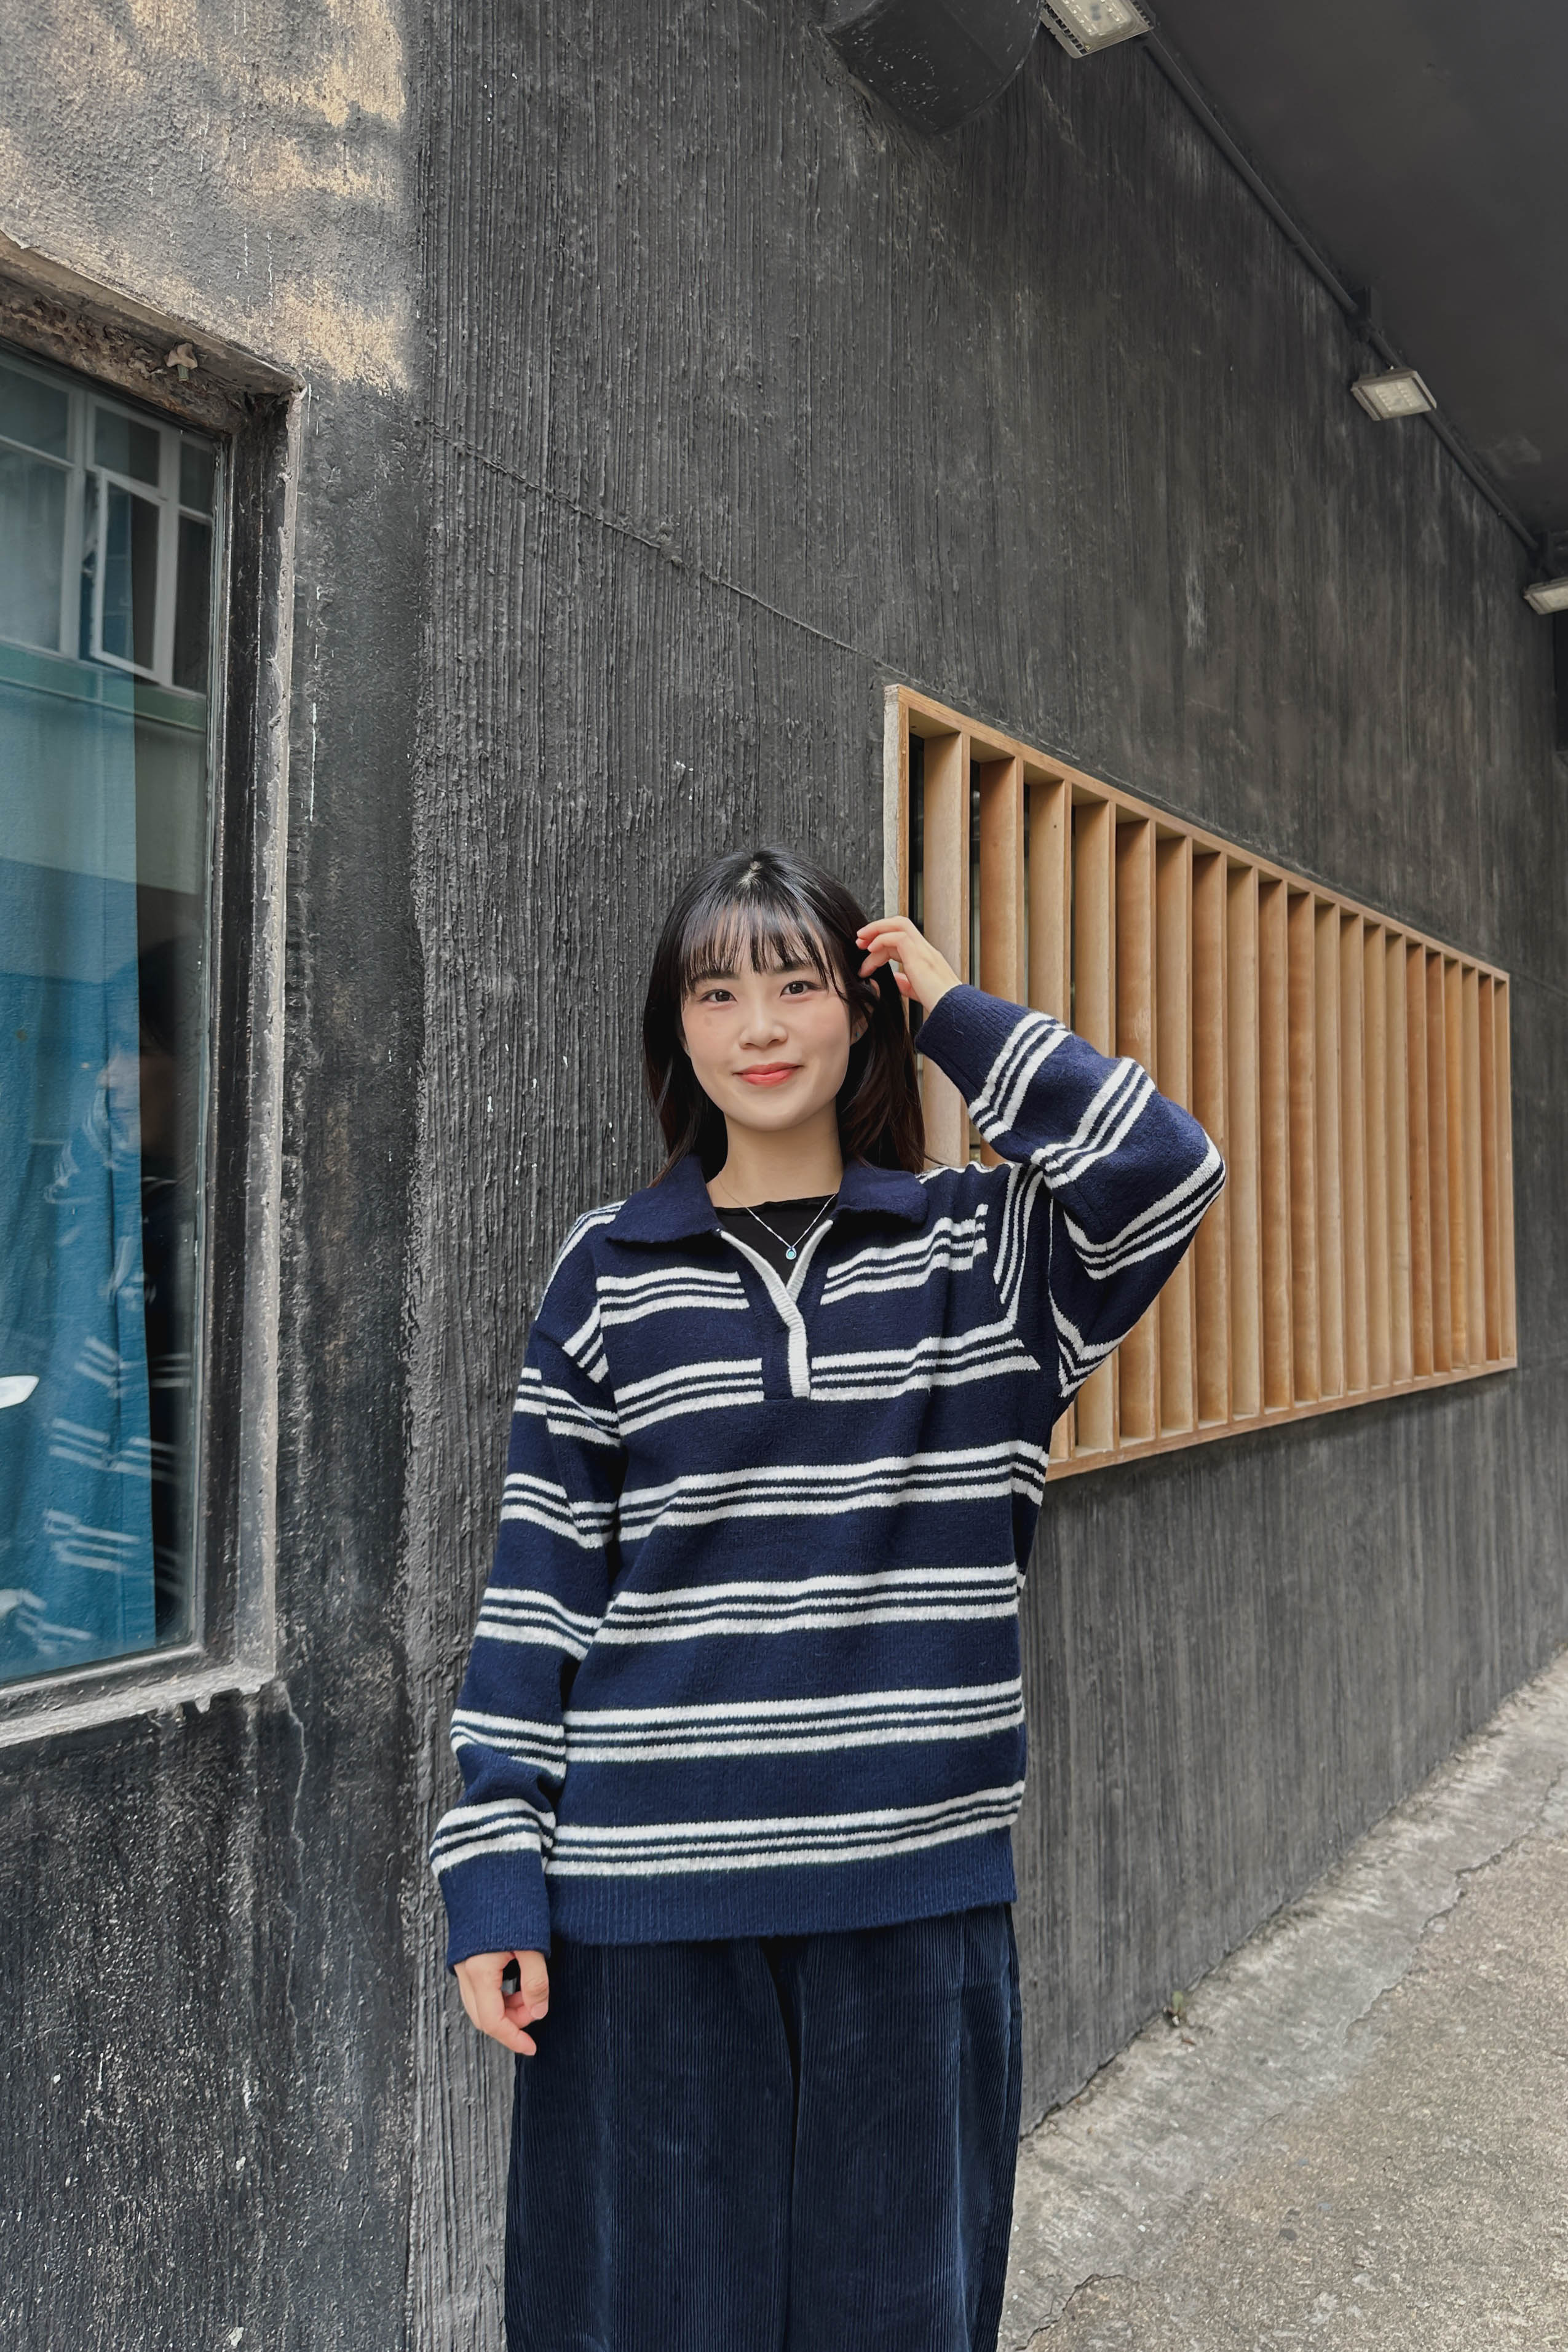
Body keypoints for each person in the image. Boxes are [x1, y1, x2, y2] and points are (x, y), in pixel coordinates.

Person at [432, 845, 1224, 2352]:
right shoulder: (606, 1272)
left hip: (911, 1903)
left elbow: (1165, 1168)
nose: (759, 1024)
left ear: (862, 1015)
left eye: (798, 983)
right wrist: (493, 1874)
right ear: (676, 1030)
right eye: (715, 992)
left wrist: (957, 1013)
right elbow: (537, 1587)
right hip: (645, 1910)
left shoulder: (980, 1256)